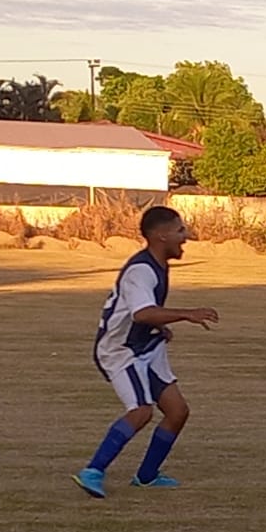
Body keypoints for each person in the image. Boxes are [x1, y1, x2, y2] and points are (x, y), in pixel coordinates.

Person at [73, 206, 218, 499]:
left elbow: (143, 314)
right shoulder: (141, 270)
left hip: (145, 345)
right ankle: (93, 470)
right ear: (161, 235)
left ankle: (147, 476)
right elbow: (142, 314)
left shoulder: (158, 264)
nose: (186, 236)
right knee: (141, 411)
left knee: (177, 412)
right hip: (121, 350)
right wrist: (185, 314)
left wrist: (161, 327)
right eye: (180, 230)